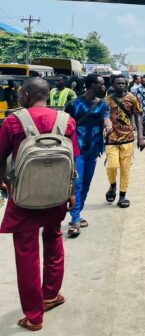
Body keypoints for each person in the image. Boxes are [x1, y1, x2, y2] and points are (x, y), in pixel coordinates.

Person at [0, 78, 79, 332]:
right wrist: (71, 192)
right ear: (47, 95)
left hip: (23, 196)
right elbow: (73, 159)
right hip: (56, 193)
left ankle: (34, 316)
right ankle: (50, 294)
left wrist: (3, 182)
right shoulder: (66, 121)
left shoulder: (13, 121)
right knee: (54, 239)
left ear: (24, 95)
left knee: (26, 253)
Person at [65, 73, 111, 238]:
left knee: (85, 184)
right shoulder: (74, 105)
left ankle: (77, 213)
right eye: (101, 84)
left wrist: (109, 126)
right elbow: (65, 125)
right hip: (76, 151)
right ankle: (75, 219)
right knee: (77, 184)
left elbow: (106, 119)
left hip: (92, 150)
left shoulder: (102, 105)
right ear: (92, 85)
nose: (104, 87)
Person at [105, 75, 144, 209]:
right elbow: (103, 118)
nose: (121, 85)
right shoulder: (107, 100)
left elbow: (138, 117)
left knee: (125, 169)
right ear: (113, 85)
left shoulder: (132, 98)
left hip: (127, 138)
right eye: (118, 83)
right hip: (111, 138)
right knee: (112, 165)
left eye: (123, 83)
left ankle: (122, 195)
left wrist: (140, 137)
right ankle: (112, 185)